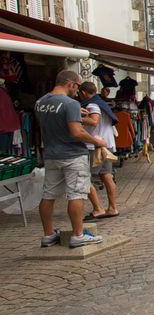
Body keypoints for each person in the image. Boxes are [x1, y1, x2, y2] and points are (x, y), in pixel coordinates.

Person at [35, 69, 107, 249]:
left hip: (51, 154)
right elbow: (77, 132)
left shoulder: (40, 103)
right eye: (78, 86)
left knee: (48, 195)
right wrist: (97, 141)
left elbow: (54, 123)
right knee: (77, 194)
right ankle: (78, 235)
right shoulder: (70, 103)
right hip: (73, 155)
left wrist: (78, 114)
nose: (78, 91)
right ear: (71, 84)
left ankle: (48, 235)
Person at [79, 81, 120, 220]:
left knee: (85, 177)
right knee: (106, 175)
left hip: (95, 145)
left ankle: (98, 208)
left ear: (83, 93)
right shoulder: (102, 103)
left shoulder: (91, 105)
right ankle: (113, 208)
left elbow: (94, 121)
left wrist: (78, 117)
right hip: (106, 144)